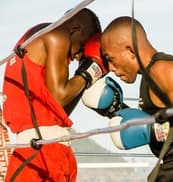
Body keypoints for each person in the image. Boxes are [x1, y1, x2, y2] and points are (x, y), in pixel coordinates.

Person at [83, 16, 173, 182]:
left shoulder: (163, 69)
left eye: (111, 59)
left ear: (130, 51)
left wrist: (153, 131)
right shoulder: (150, 75)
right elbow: (154, 124)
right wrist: (116, 109)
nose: (111, 68)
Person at [2, 8, 107, 181]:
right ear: (75, 28)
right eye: (82, 48)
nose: (78, 56)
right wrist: (92, 70)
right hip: (40, 153)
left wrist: (85, 73)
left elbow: (59, 109)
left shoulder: (35, 38)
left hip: (43, 150)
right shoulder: (57, 35)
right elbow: (60, 97)